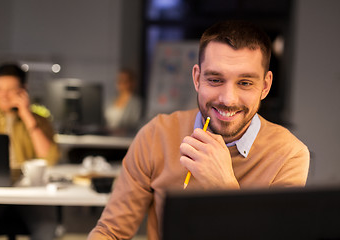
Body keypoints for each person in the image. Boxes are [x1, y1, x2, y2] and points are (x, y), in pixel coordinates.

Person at [87, 20, 310, 240]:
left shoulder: (289, 155)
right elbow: (111, 232)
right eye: (214, 79)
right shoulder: (156, 134)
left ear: (265, 86)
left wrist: (225, 189)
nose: (227, 100)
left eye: (245, 83)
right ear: (196, 78)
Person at [0, 63, 60, 240]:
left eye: (10, 90)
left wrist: (26, 114)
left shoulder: (39, 120)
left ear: (24, 90)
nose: (3, 95)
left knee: (47, 229)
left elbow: (50, 157)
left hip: (29, 192)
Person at [104, 68, 142, 135]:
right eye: (119, 81)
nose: (121, 84)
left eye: (124, 81)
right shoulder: (111, 101)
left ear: (132, 83)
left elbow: (135, 124)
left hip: (125, 138)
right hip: (108, 136)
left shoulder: (136, 103)